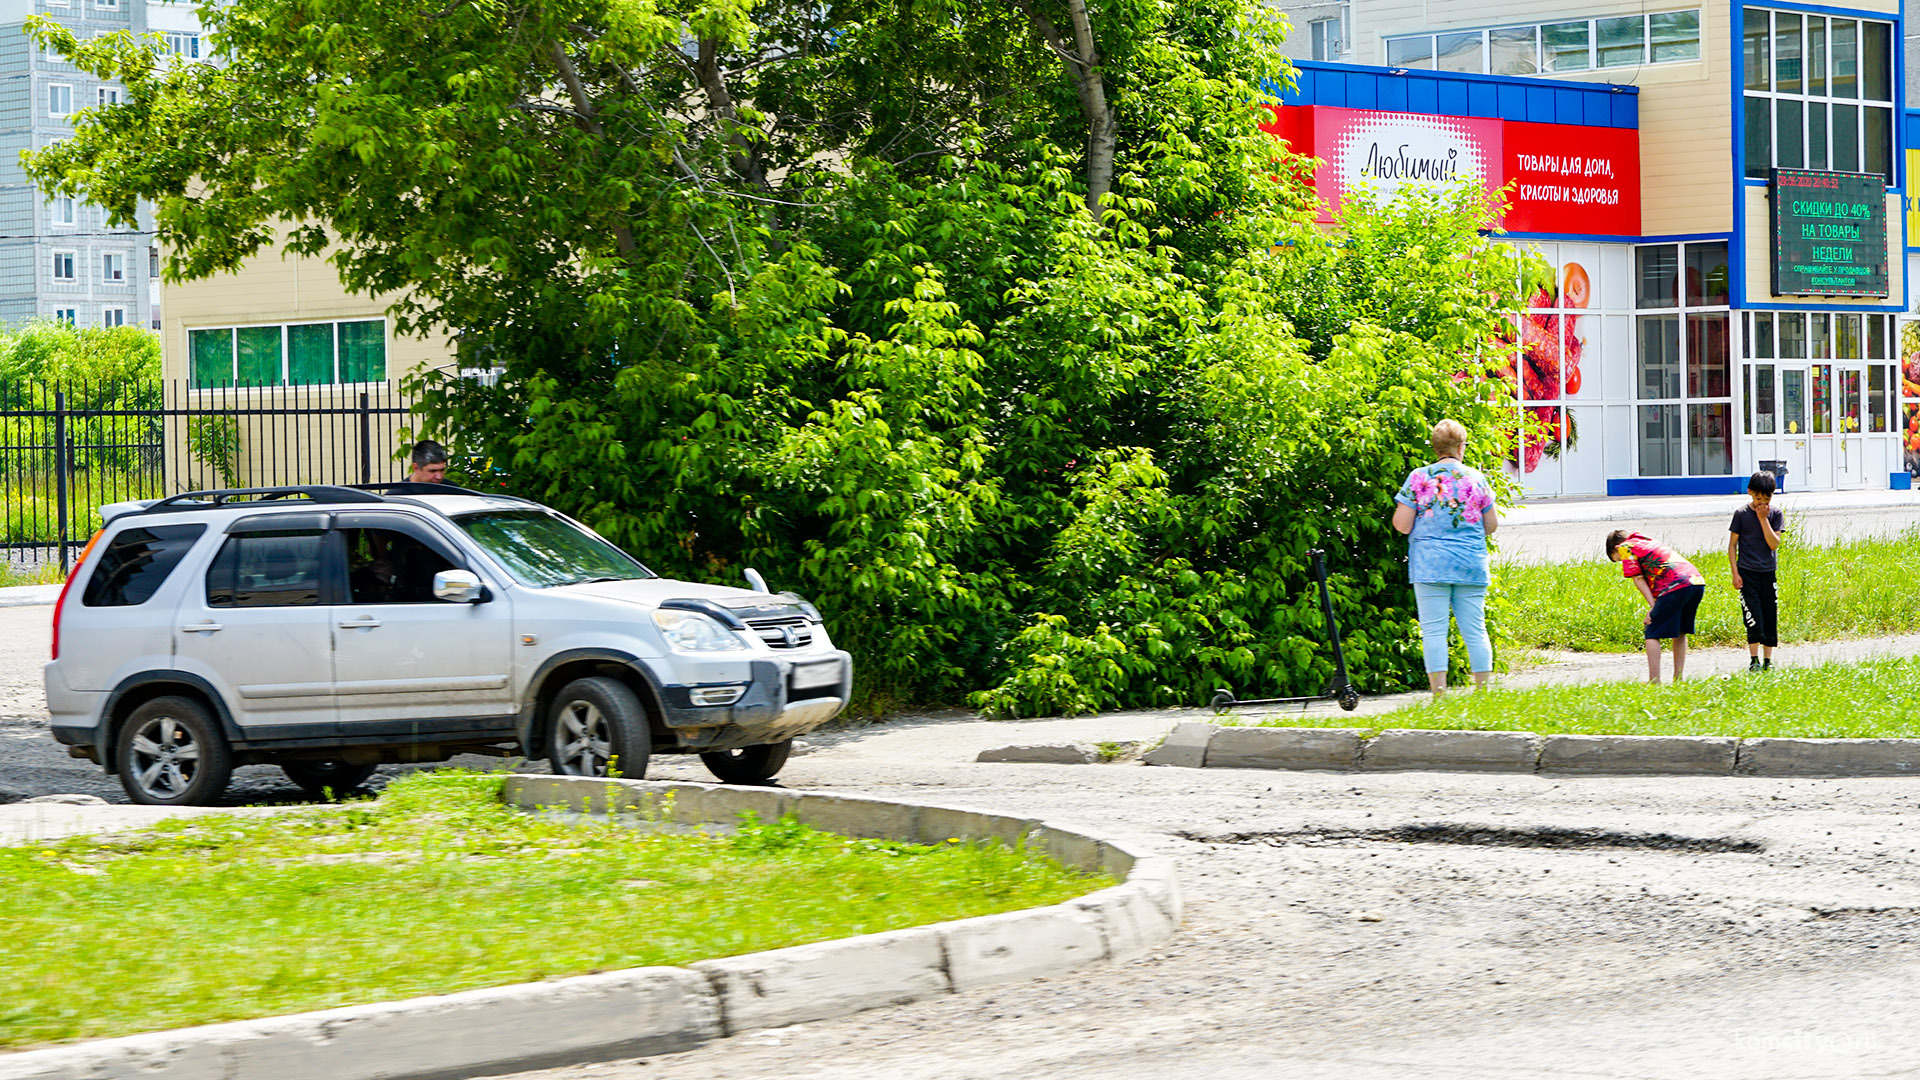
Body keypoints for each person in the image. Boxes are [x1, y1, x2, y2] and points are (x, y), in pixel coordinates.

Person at [1393, 419, 1498, 698]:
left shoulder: (1418, 477)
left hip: (1430, 566)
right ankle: (1483, 694)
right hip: (1470, 562)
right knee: (1475, 628)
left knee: (1434, 631)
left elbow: (1402, 524)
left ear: (1435, 447)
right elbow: (1491, 524)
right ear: (1461, 446)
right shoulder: (1476, 478)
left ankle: (1439, 696)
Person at [1607, 529, 1706, 684]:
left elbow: (1639, 578)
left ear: (1615, 549)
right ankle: (1678, 679)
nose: (1622, 561)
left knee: (1652, 630)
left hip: (1676, 585)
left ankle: (1654, 681)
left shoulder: (1625, 547)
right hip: (1696, 582)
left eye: (1618, 560)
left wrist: (1653, 607)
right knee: (1680, 630)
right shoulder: (1647, 541)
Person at [1728, 470, 1785, 672]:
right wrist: (1735, 573)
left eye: (1767, 498)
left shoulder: (1775, 514)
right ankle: (1754, 660)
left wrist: (1763, 519)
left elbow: (1774, 544)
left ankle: (1768, 660)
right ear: (1750, 492)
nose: (1762, 502)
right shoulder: (1741, 514)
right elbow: (1732, 546)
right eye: (1758, 497)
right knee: (1752, 615)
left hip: (1768, 572)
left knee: (1770, 615)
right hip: (1747, 573)